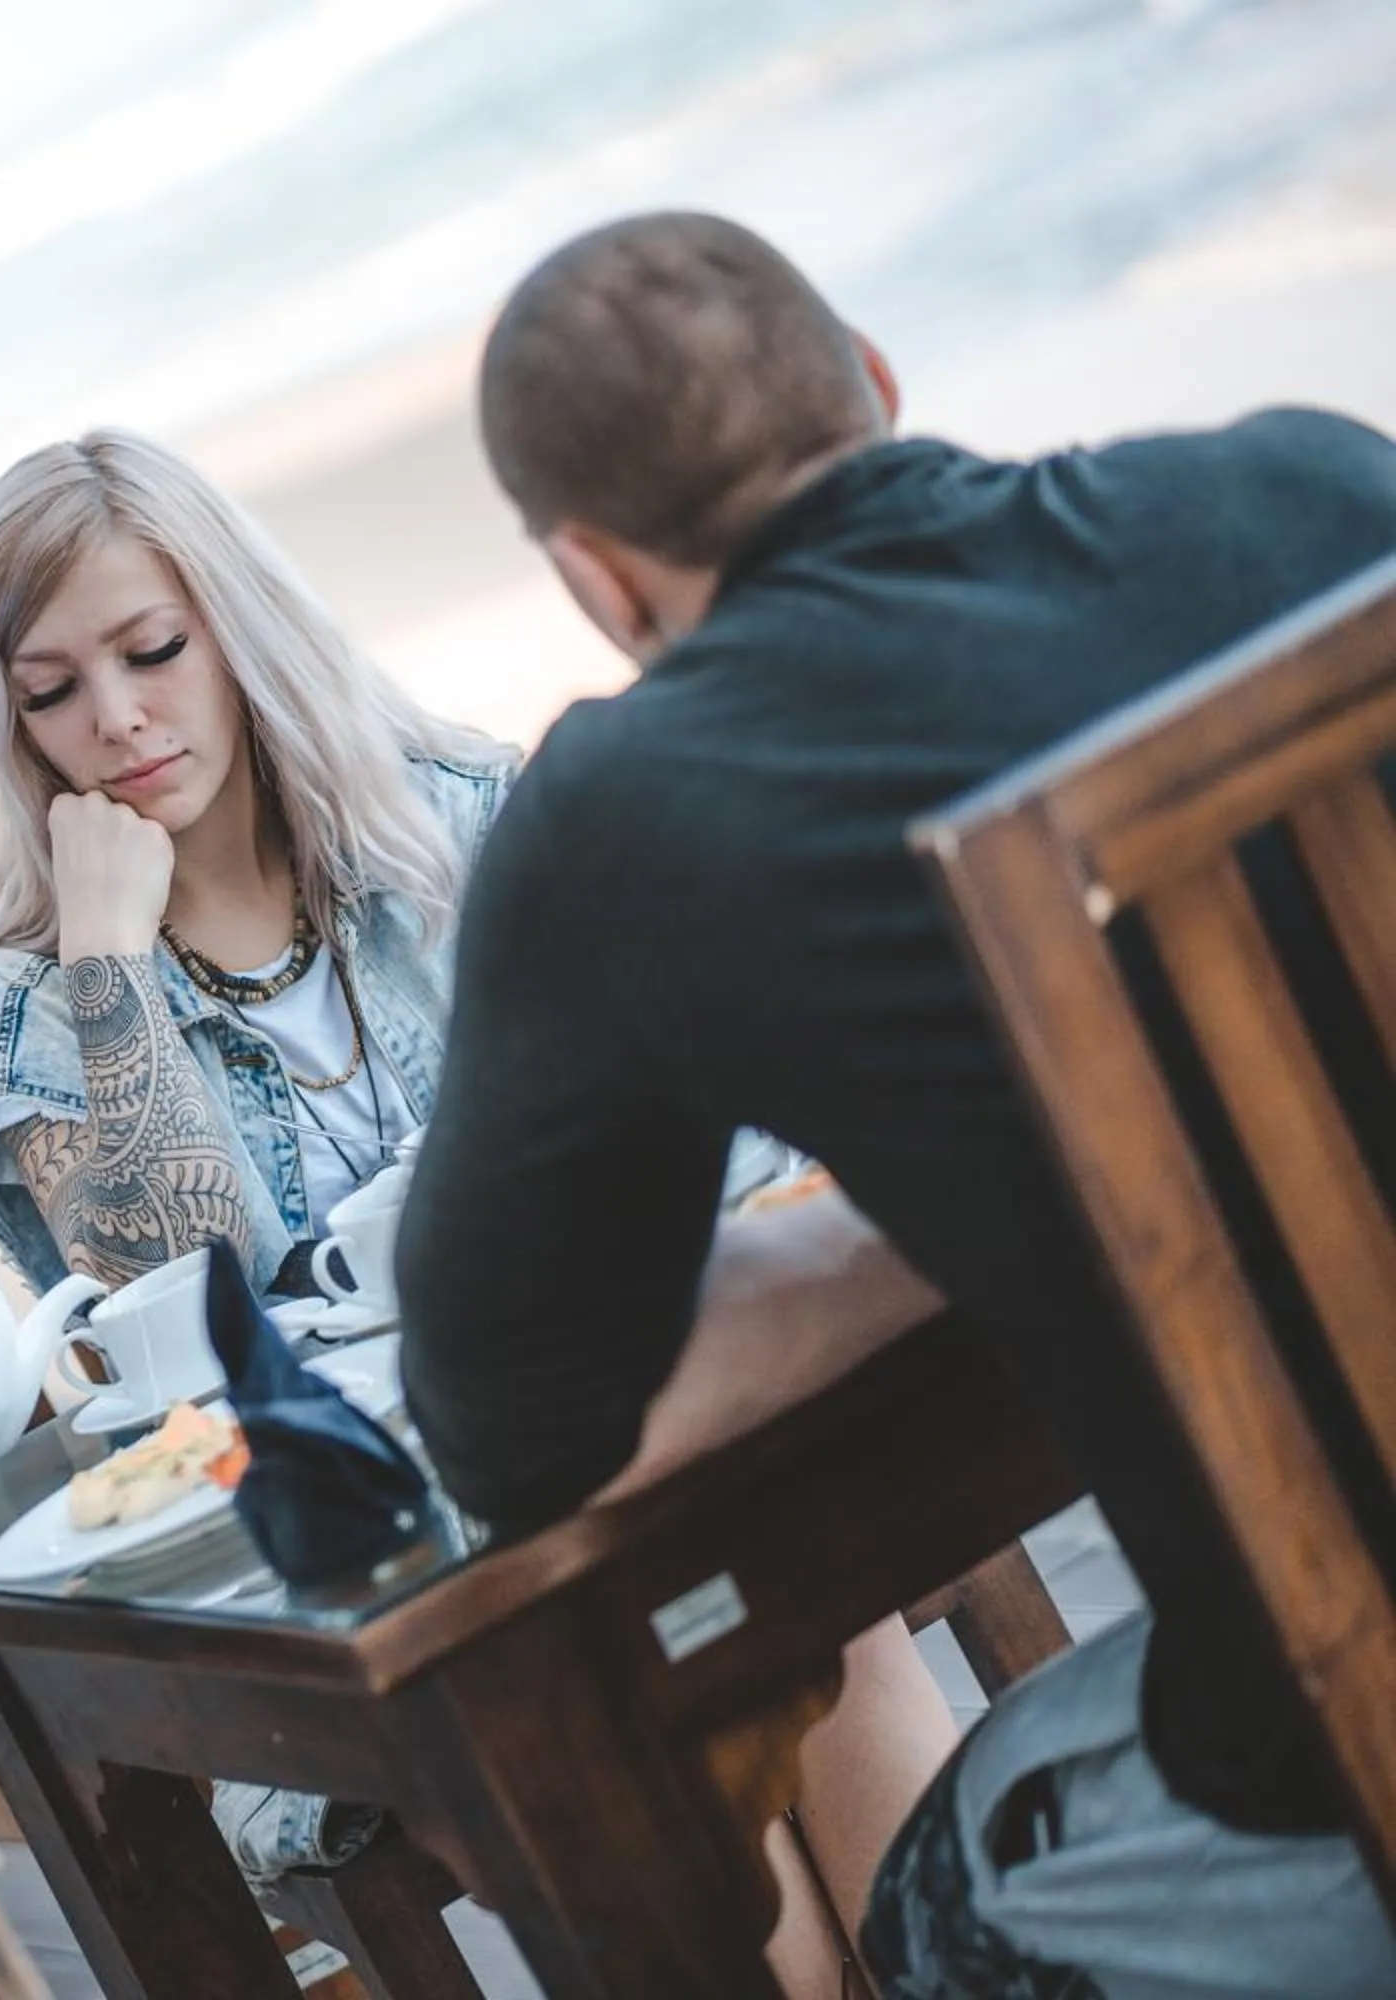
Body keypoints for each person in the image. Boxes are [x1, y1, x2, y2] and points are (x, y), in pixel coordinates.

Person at [395, 210, 1396, 1996]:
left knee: (937, 1901)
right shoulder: (1314, 491)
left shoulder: (627, 818)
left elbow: (510, 1426)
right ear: (872, 379)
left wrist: (893, 1223)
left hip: (1346, 1763)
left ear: (597, 581)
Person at [0, 429, 956, 1991]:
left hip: (637, 1461)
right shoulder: (13, 1009)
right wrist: (111, 964)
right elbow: (189, 1323)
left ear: (236, 626)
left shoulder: (450, 823)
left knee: (771, 1620)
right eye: (49, 690)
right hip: (369, 1620)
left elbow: (696, 1136)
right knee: (648, 1687)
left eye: (151, 651)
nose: (114, 721)